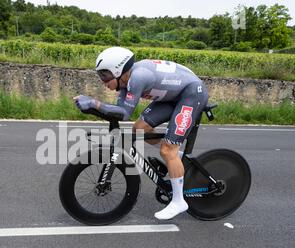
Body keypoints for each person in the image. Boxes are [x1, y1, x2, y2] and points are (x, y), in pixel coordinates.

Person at [73, 46, 209, 220]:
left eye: (105, 76)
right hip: (173, 96)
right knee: (139, 129)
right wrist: (92, 107)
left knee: (167, 150)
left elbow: (124, 113)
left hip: (191, 94)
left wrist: (94, 103)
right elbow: (119, 111)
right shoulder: (125, 80)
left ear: (118, 70)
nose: (103, 82)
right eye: (100, 76)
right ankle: (177, 156)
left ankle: (178, 201)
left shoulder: (138, 77)